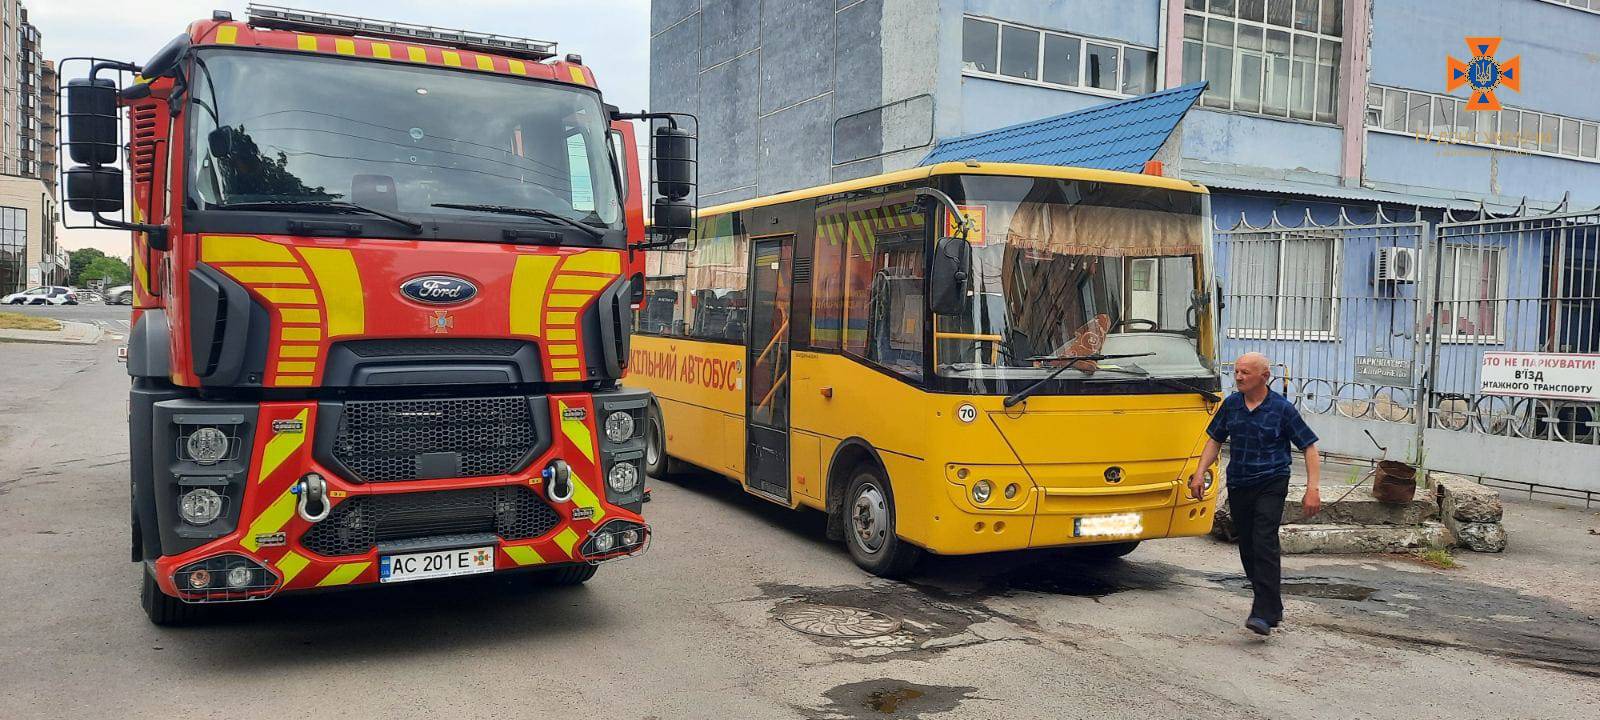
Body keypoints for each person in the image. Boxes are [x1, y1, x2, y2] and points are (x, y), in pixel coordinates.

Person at [1189, 352, 1321, 637]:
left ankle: (1262, 612)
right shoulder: (1231, 405)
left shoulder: (1282, 409)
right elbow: (1214, 440)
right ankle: (1271, 604)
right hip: (1240, 483)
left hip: (1271, 482)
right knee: (1248, 546)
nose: (1238, 377)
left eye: (1245, 373)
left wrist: (1312, 489)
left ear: (1264, 376)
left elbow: (1309, 446)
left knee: (1264, 541)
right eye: (1236, 372)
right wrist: (1199, 472)